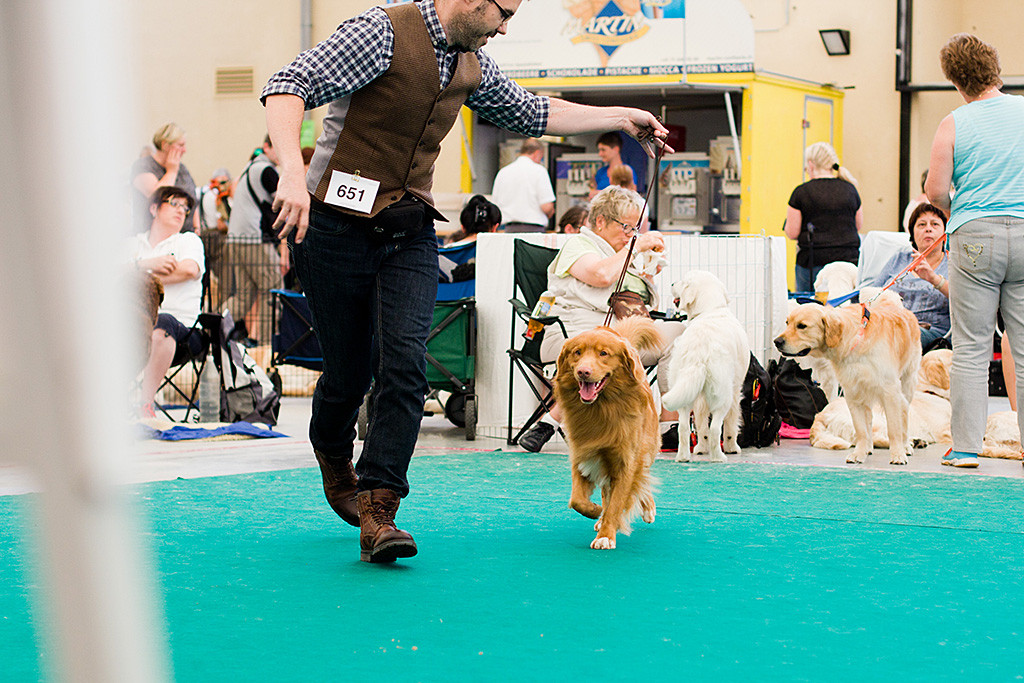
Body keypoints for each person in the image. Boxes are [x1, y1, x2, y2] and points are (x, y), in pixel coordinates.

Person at [261, 0, 672, 564]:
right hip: (332, 225)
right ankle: (334, 457)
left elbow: (533, 111)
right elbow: (288, 84)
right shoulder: (381, 32)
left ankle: (380, 511)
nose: (506, 27)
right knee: (348, 373)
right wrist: (288, 169)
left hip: (406, 228)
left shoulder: (471, 61)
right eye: (503, 13)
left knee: (406, 362)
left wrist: (621, 116)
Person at [517, 186, 686, 453]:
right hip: (571, 337)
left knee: (681, 334)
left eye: (636, 229)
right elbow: (601, 276)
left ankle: (669, 427)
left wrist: (650, 270)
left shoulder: (622, 255)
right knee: (609, 351)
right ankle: (550, 421)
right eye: (627, 227)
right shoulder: (578, 245)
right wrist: (634, 247)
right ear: (600, 221)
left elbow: (641, 304)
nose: (632, 235)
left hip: (620, 336)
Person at [924, 33, 1024, 468]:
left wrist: (958, 211)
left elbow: (934, 189)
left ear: (956, 80)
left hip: (974, 237)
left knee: (971, 347)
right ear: (995, 68)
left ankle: (965, 448)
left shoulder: (954, 122)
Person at [129, 186, 205, 418]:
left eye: (186, 207)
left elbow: (189, 270)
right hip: (132, 324)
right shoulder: (132, 244)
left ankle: (145, 404)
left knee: (163, 323)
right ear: (154, 208)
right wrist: (146, 264)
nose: (182, 211)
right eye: (174, 204)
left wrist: (135, 278)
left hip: (184, 330)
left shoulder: (187, 241)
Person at [225, 135, 283, 347]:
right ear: (266, 147)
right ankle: (268, 346)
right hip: (254, 239)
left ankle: (211, 328)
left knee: (243, 296)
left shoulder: (249, 167)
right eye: (277, 147)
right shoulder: (267, 170)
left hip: (236, 239)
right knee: (273, 290)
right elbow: (284, 203)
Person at [867, 203, 950, 349]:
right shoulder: (900, 258)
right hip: (890, 325)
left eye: (935, 224)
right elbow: (873, 294)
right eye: (921, 225)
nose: (928, 228)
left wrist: (934, 279)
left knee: (899, 334)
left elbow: (966, 299)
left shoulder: (952, 264)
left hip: (932, 332)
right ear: (912, 234)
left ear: (945, 234)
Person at [783, 142, 863, 292]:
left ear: (811, 165)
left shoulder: (801, 192)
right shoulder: (850, 189)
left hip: (813, 263)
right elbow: (858, 225)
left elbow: (792, 232)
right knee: (844, 308)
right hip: (848, 262)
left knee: (810, 307)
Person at [130, 123, 198, 234]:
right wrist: (171, 171)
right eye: (180, 145)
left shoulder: (182, 169)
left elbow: (193, 200)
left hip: (184, 235)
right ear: (165, 145)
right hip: (153, 237)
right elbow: (157, 196)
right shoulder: (143, 166)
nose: (184, 150)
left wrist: (197, 227)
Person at [491, 138, 555, 232]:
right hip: (533, 230)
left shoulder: (503, 172)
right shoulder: (539, 171)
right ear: (537, 153)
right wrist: (551, 212)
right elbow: (546, 206)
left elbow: (495, 205)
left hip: (506, 230)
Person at [197, 168, 233, 308]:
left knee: (206, 277)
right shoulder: (217, 196)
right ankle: (221, 310)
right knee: (225, 277)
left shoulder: (204, 193)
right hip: (217, 238)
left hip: (205, 235)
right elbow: (220, 224)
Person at [608, 164, 650, 232]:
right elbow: (643, 231)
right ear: (631, 180)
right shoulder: (641, 202)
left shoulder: (608, 201)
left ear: (611, 180)